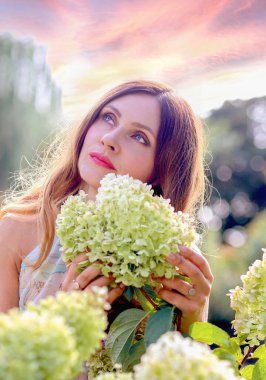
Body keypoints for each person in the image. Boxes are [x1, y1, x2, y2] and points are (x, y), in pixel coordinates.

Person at [0, 80, 213, 334]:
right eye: (108, 117)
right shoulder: (17, 230)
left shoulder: (174, 260)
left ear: (162, 169)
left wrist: (194, 320)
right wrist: (68, 329)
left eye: (139, 136)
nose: (109, 139)